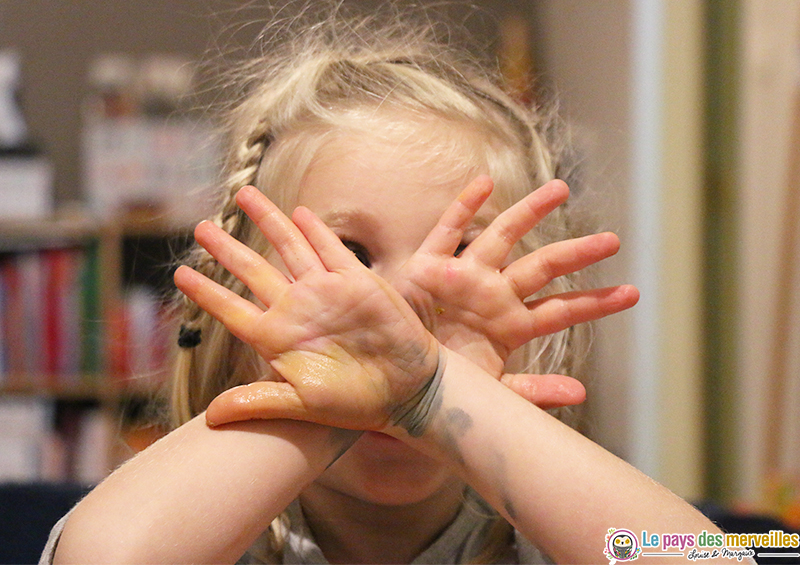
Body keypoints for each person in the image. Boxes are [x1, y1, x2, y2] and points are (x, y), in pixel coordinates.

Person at [44, 6, 724, 565]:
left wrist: (432, 391)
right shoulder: (214, 537)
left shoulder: (555, 535)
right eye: (349, 255)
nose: (395, 315)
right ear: (243, 306)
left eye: (462, 253)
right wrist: (335, 397)